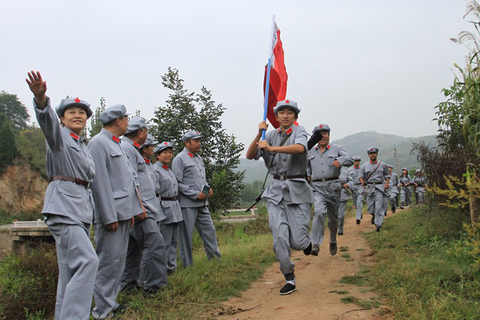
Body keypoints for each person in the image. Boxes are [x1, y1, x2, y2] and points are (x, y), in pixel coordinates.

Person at [26, 71, 99, 320]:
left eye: (82, 113)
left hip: (79, 209)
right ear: (62, 118)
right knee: (89, 261)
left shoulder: (82, 145)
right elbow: (47, 123)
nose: (77, 115)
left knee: (68, 273)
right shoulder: (59, 138)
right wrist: (41, 100)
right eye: (71, 112)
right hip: (64, 207)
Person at [246, 99, 313, 295]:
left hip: (297, 190)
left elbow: (300, 148)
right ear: (275, 117)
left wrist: (272, 149)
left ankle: (307, 243)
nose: (285, 116)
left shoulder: (299, 132)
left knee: (298, 243)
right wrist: (259, 133)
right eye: (281, 112)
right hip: (275, 193)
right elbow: (250, 155)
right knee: (279, 237)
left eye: (289, 113)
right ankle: (289, 277)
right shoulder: (269, 135)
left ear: (295, 117)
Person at [88, 104, 140, 319]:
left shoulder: (116, 143)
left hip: (123, 214)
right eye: (126, 119)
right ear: (118, 121)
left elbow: (127, 182)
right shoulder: (98, 143)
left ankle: (111, 303)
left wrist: (131, 212)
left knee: (118, 262)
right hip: (111, 216)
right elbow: (99, 183)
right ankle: (102, 311)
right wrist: (108, 216)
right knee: (107, 263)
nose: (128, 123)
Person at [120, 118, 168, 294]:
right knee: (154, 242)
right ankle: (153, 286)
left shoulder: (130, 149)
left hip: (141, 207)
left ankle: (128, 287)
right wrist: (138, 206)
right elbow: (130, 180)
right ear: (140, 133)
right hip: (141, 209)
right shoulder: (127, 148)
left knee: (133, 250)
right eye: (146, 130)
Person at [172, 130, 221, 267]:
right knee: (186, 236)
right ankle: (188, 265)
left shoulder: (198, 158)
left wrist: (207, 187)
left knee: (209, 230)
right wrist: (194, 194)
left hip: (202, 203)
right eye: (196, 141)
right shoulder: (179, 159)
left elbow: (201, 179)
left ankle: (215, 260)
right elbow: (177, 182)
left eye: (200, 140)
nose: (199, 143)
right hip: (188, 204)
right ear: (187, 143)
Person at [307, 124, 353, 256]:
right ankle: (315, 243)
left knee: (334, 219)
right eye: (319, 134)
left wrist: (340, 160)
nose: (322, 137)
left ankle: (333, 239)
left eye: (325, 134)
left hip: (333, 188)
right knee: (319, 211)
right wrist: (308, 175)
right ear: (314, 137)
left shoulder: (337, 149)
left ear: (329, 135)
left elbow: (349, 159)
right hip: (317, 188)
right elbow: (307, 167)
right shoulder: (310, 151)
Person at [154, 142, 184, 274]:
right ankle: (163, 269)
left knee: (173, 241)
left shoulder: (168, 170)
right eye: (165, 152)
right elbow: (156, 194)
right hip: (164, 208)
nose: (168, 155)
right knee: (164, 242)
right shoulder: (155, 170)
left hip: (174, 207)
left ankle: (172, 267)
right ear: (158, 155)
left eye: (170, 152)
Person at [359, 147, 389, 232]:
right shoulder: (364, 166)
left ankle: (378, 225)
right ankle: (374, 216)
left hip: (379, 187)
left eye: (374, 153)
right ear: (368, 155)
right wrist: (362, 182)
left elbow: (387, 175)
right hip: (369, 188)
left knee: (378, 208)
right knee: (370, 208)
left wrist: (386, 183)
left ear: (377, 154)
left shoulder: (382, 164)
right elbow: (361, 176)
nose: (372, 155)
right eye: (371, 153)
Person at [347, 156, 364, 224]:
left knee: (359, 202)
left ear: (359, 162)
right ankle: (359, 213)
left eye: (357, 161)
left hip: (360, 186)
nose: (356, 162)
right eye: (355, 161)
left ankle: (358, 218)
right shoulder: (349, 170)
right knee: (356, 203)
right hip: (353, 187)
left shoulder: (362, 169)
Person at [338, 169, 351, 235]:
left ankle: (340, 229)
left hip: (342, 196)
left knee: (341, 215)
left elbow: (351, 181)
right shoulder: (328, 171)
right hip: (331, 196)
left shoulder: (345, 172)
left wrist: (348, 185)